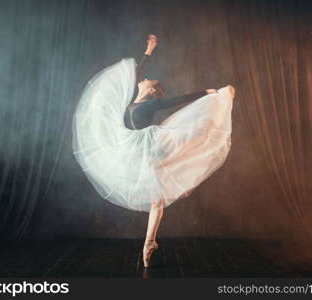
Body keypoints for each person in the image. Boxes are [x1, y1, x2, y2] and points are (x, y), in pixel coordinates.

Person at [72, 34, 235, 269]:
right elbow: (135, 74)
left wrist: (210, 91)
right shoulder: (132, 100)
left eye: (148, 80)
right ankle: (149, 242)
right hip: (134, 147)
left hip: (150, 146)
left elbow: (180, 99)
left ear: (151, 90)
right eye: (145, 78)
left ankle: (149, 242)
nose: (143, 79)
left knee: (157, 198)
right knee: (156, 199)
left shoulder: (152, 104)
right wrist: (149, 51)